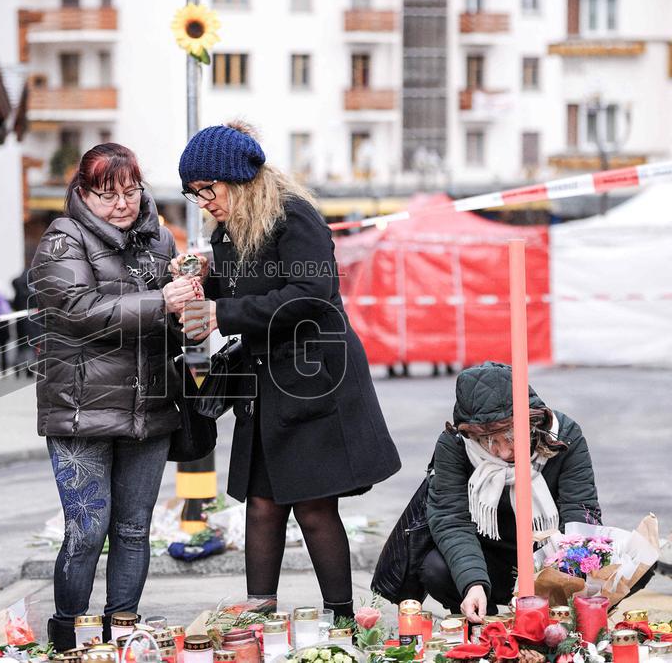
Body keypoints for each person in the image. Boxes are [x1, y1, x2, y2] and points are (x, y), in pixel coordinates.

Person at [175, 121, 401, 619]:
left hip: (313, 377)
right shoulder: (229, 230)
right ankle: (259, 612)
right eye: (194, 193)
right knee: (261, 501)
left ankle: (341, 619)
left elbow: (309, 295)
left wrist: (221, 313)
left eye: (207, 189)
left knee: (314, 505)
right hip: (264, 377)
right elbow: (241, 292)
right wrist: (201, 286)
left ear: (237, 178)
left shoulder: (294, 216)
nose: (204, 202)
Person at [30, 143, 195, 649]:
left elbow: (167, 327)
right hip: (81, 408)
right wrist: (160, 300)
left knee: (134, 529)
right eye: (107, 195)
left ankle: (123, 634)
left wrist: (187, 303)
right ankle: (69, 636)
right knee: (87, 529)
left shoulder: (160, 238)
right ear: (83, 194)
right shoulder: (63, 239)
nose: (122, 204)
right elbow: (77, 311)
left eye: (130, 191)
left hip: (149, 407)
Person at [421, 361, 601, 621]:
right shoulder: (455, 445)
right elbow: (451, 519)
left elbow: (580, 511)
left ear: (532, 422)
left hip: (548, 556)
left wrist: (561, 576)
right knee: (435, 568)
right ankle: (481, 617)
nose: (504, 452)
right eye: (488, 441)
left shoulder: (564, 435)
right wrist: (473, 583)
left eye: (512, 437)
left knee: (616, 561)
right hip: (488, 559)